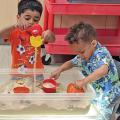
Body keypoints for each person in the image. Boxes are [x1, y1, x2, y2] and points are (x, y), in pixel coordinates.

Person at [50, 22, 120, 120]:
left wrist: (83, 81)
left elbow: (103, 70)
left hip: (109, 93)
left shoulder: (101, 53)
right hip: (97, 91)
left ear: (93, 43)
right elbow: (71, 62)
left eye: (82, 51)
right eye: (77, 52)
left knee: (102, 115)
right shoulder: (84, 55)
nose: (80, 55)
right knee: (93, 109)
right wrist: (59, 70)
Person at [0, 0, 55, 71]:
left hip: (36, 71)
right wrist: (13, 26)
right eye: (27, 18)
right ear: (18, 17)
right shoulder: (14, 32)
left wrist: (49, 34)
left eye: (35, 20)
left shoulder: (39, 31)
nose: (31, 22)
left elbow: (52, 39)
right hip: (17, 72)